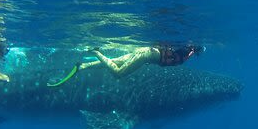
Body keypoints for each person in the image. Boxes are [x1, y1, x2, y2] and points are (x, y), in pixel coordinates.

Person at [48, 43, 204, 86]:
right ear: (196, 51)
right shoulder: (185, 52)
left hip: (147, 52)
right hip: (148, 56)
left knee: (114, 62)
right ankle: (96, 52)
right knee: (118, 73)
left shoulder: (186, 50)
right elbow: (170, 54)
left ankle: (82, 67)